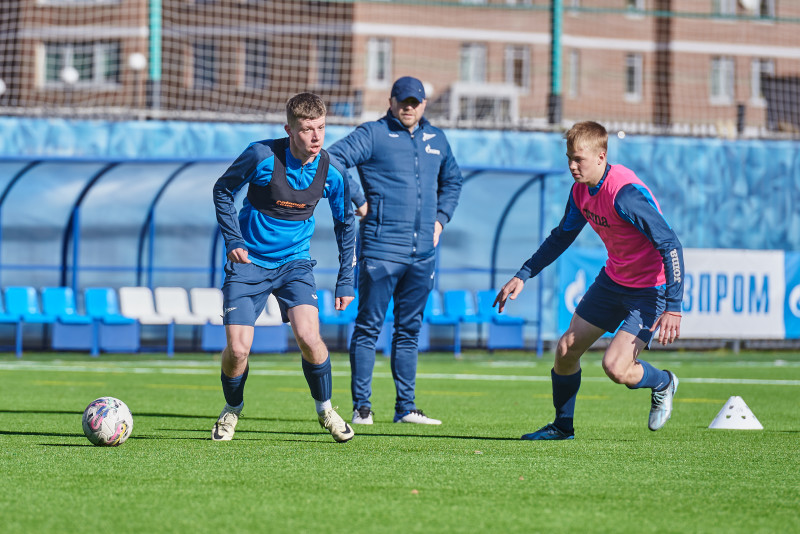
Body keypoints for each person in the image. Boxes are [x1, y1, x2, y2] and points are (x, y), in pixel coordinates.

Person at [494, 121, 684, 440]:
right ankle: (562, 427)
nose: (572, 165)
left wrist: (674, 307)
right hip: (612, 282)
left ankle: (663, 382)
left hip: (651, 290)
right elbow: (561, 237)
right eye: (569, 157)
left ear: (601, 156)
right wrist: (523, 274)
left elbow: (670, 245)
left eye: (578, 159)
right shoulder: (580, 191)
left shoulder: (625, 195)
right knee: (567, 348)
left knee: (616, 368)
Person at [211, 92, 356, 443]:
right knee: (239, 350)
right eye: (307, 129)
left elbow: (346, 223)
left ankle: (325, 410)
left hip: (295, 265)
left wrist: (346, 281)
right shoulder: (261, 156)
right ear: (289, 129)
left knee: (310, 338)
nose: (316, 137)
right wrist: (234, 241)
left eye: (321, 128)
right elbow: (222, 190)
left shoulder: (332, 171)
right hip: (249, 265)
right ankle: (232, 409)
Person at [327, 76, 463, 425]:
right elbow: (334, 158)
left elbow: (453, 181)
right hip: (381, 248)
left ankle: (406, 407)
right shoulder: (373, 134)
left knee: (409, 330)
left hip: (422, 254)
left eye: (414, 102)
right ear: (391, 101)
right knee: (369, 327)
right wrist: (358, 199)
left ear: (424, 105)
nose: (408, 107)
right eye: (402, 101)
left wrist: (441, 219)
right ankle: (362, 408)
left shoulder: (437, 139)